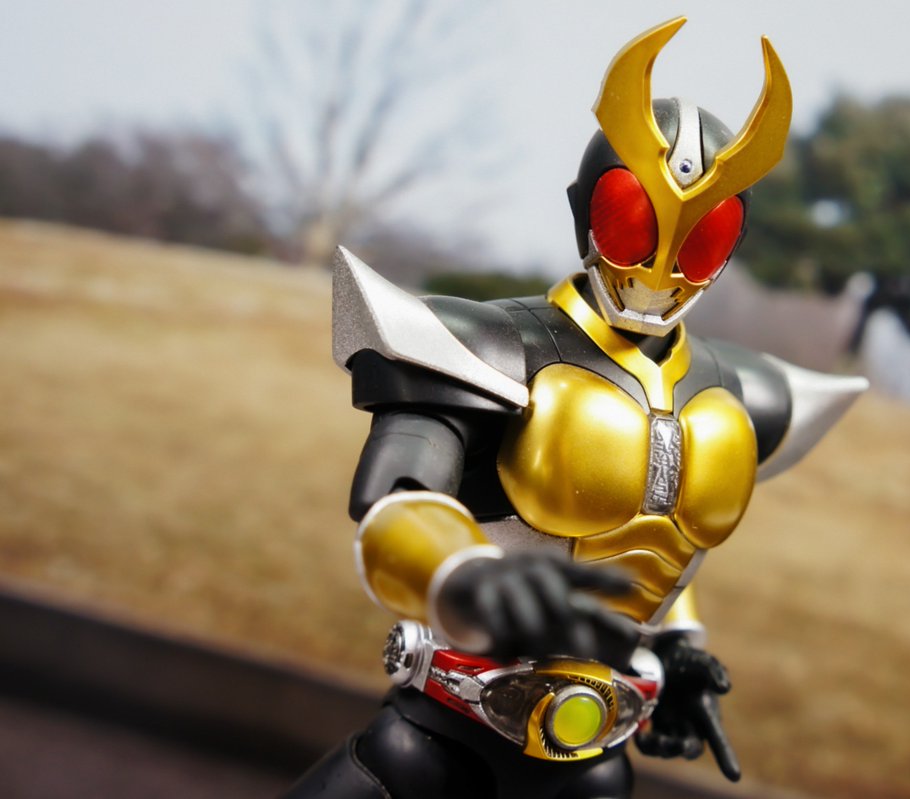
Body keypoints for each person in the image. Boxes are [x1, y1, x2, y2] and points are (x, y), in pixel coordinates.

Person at [287, 16, 866, 799]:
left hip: (594, 762)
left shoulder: (743, 394)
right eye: (634, 220)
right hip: (440, 741)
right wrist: (465, 580)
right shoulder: (495, 350)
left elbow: (660, 532)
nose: (660, 268)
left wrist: (680, 649)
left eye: (700, 238)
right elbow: (396, 503)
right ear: (586, 209)